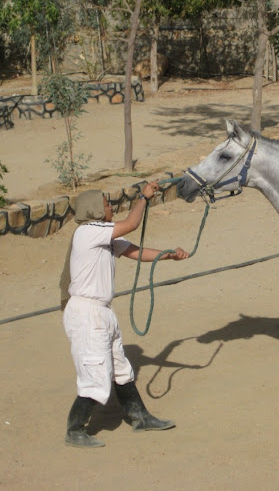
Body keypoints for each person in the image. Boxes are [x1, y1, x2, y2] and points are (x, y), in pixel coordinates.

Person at [59, 181, 189, 448]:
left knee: (121, 369)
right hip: (87, 313)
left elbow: (136, 252)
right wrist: (143, 197)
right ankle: (75, 430)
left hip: (102, 312)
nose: (110, 208)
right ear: (95, 211)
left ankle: (139, 417)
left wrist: (169, 256)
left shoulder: (105, 237)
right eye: (106, 204)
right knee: (95, 375)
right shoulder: (88, 232)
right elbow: (131, 223)